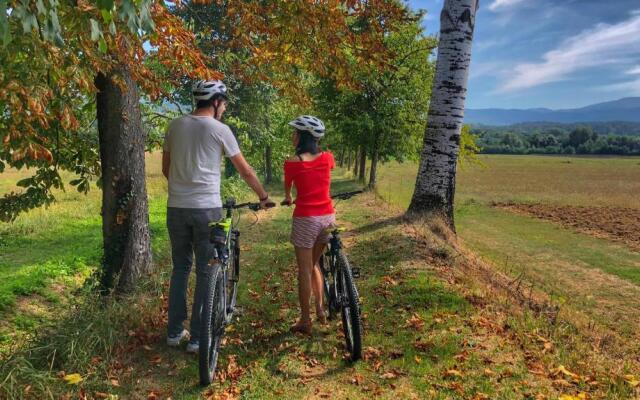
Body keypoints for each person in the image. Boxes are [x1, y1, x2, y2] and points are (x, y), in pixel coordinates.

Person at [162, 80, 273, 352]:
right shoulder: (220, 130)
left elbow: (167, 169)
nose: (224, 108)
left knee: (180, 269)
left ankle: (174, 332)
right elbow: (245, 171)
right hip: (207, 210)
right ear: (214, 102)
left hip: (176, 208)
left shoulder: (174, 126)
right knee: (205, 271)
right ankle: (199, 338)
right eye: (223, 103)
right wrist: (263, 196)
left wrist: (183, 188)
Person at [283, 115, 335, 335]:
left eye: (295, 132)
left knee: (305, 270)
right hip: (328, 217)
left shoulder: (292, 163)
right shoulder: (328, 158)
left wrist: (288, 198)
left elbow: (288, 189)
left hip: (306, 218)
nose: (292, 136)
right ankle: (320, 310)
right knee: (315, 264)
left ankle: (305, 320)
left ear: (302, 137)